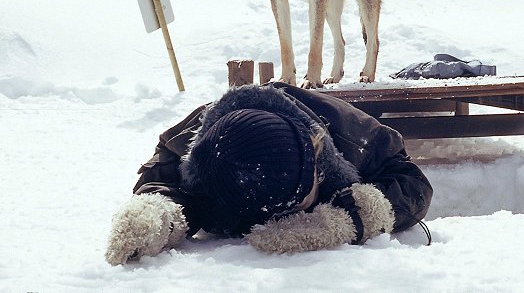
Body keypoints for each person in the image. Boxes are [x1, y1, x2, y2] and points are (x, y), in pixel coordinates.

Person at [105, 82, 433, 265]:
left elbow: (412, 183)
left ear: (317, 156)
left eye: (307, 193)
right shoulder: (195, 154)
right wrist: (158, 214)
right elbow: (161, 184)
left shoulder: (353, 134)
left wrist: (349, 217)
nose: (296, 213)